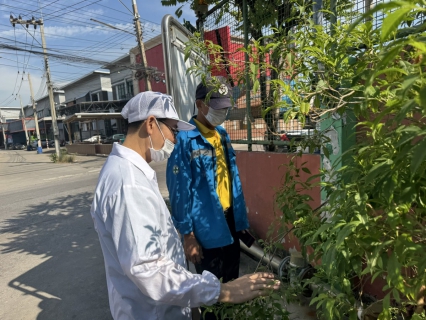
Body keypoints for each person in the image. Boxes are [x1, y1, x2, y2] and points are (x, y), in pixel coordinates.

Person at [90, 91, 280, 320]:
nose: (173, 139)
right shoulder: (128, 187)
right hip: (153, 312)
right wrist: (221, 291)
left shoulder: (131, 176)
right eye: (172, 129)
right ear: (151, 124)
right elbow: (148, 269)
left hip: (167, 301)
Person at [166, 78, 251, 318]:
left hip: (230, 220)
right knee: (211, 289)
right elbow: (179, 191)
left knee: (233, 283)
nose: (223, 112)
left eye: (225, 107)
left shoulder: (222, 134)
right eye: (218, 107)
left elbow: (232, 178)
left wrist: (241, 219)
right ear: (200, 105)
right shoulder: (184, 140)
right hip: (205, 226)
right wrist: (188, 236)